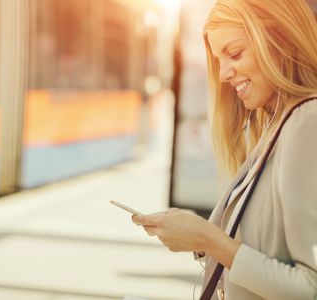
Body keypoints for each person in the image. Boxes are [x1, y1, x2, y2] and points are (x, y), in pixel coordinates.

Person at [132, 0, 317, 299]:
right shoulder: (274, 127)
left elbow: (311, 288)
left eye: (235, 54)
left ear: (281, 42)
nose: (223, 75)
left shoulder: (307, 122)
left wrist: (209, 238)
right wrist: (195, 234)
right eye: (220, 60)